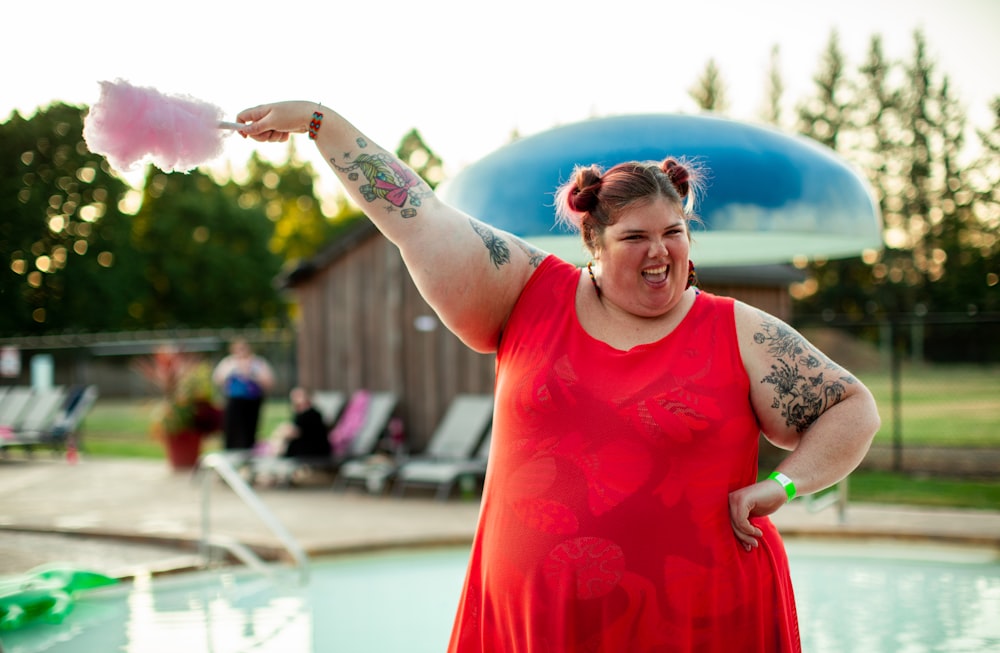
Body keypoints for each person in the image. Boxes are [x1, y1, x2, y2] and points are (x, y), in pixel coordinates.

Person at [234, 101, 880, 652]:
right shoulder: (526, 291)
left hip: (702, 619)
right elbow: (417, 213)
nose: (661, 252)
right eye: (635, 237)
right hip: (534, 624)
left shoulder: (738, 331)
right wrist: (323, 123)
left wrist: (784, 486)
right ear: (593, 243)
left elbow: (851, 407)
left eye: (674, 232)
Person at [211, 337, 275, 451]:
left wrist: (252, 375)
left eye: (244, 349)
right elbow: (218, 378)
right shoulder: (229, 363)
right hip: (234, 401)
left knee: (249, 428)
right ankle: (231, 450)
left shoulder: (258, 363)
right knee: (232, 428)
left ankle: (248, 450)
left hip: (252, 402)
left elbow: (268, 381)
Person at [267, 387, 332, 459]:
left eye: (298, 396)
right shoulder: (303, 414)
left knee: (281, 440)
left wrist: (280, 435)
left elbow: (292, 432)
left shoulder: (311, 414)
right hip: (307, 450)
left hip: (312, 452)